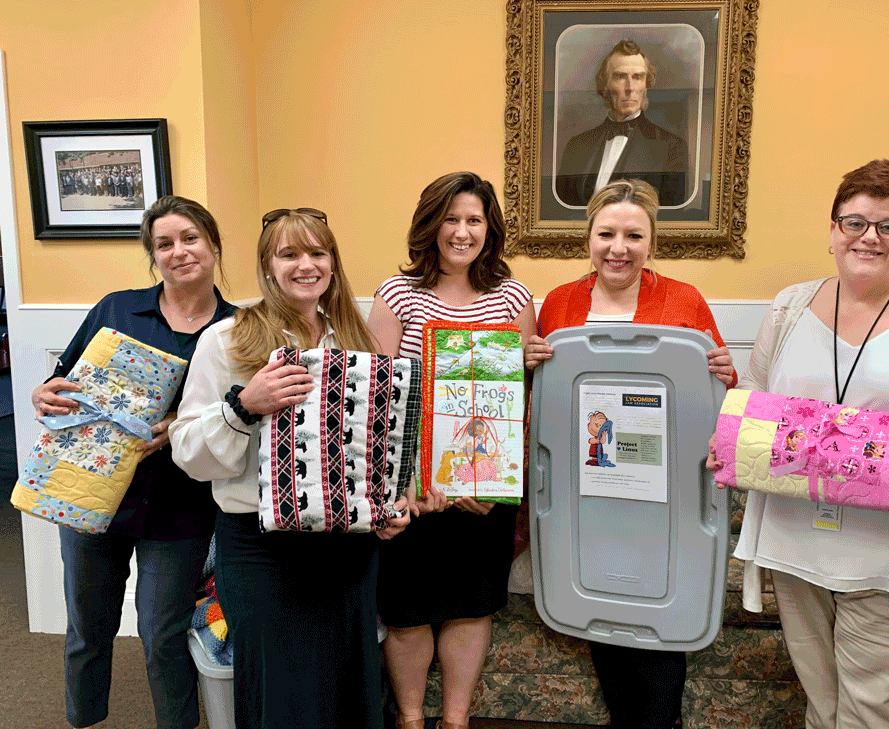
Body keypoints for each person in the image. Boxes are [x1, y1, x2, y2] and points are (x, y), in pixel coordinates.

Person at [707, 159, 889, 729]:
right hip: (797, 544)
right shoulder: (790, 306)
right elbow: (761, 398)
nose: (869, 237)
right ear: (833, 230)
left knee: (876, 711)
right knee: (823, 702)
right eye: (855, 221)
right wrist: (733, 439)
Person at [169, 207, 408, 729]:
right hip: (261, 547)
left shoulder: (356, 339)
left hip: (347, 545)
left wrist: (390, 506)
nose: (306, 265)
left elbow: (376, 445)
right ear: (267, 264)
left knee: (349, 683)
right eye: (289, 253)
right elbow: (186, 450)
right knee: (280, 690)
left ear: (333, 263)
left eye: (318, 252)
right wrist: (244, 405)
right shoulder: (228, 340)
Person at [523, 179, 735, 729]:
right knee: (602, 604)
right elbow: (544, 398)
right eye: (607, 233)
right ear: (588, 237)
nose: (619, 247)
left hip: (662, 493)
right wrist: (526, 364)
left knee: (657, 612)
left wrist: (722, 373)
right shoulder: (561, 304)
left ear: (651, 242)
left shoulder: (683, 300)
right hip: (584, 485)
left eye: (633, 235)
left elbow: (718, 392)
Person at [30, 195, 235, 729]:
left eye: (190, 238)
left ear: (213, 245)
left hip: (181, 503)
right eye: (164, 244)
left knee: (163, 632)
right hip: (93, 490)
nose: (179, 252)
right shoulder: (118, 309)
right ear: (153, 256)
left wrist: (182, 428)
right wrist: (44, 395)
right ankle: (84, 719)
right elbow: (67, 380)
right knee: (88, 627)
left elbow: (243, 418)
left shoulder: (239, 329)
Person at [368, 172, 537, 729]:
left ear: (490, 228)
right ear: (430, 223)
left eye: (474, 220)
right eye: (451, 218)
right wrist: (409, 484)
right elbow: (379, 399)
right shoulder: (398, 293)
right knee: (407, 609)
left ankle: (456, 721)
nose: (462, 232)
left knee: (471, 603)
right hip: (412, 488)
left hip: (484, 487)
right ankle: (413, 719)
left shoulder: (512, 296)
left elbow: (516, 398)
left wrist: (489, 484)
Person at [556, 38, 688, 208]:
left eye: (638, 77)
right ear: (605, 84)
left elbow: (671, 219)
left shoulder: (672, 148)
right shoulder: (576, 146)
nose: (630, 87)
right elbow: (559, 211)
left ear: (646, 85)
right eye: (620, 77)